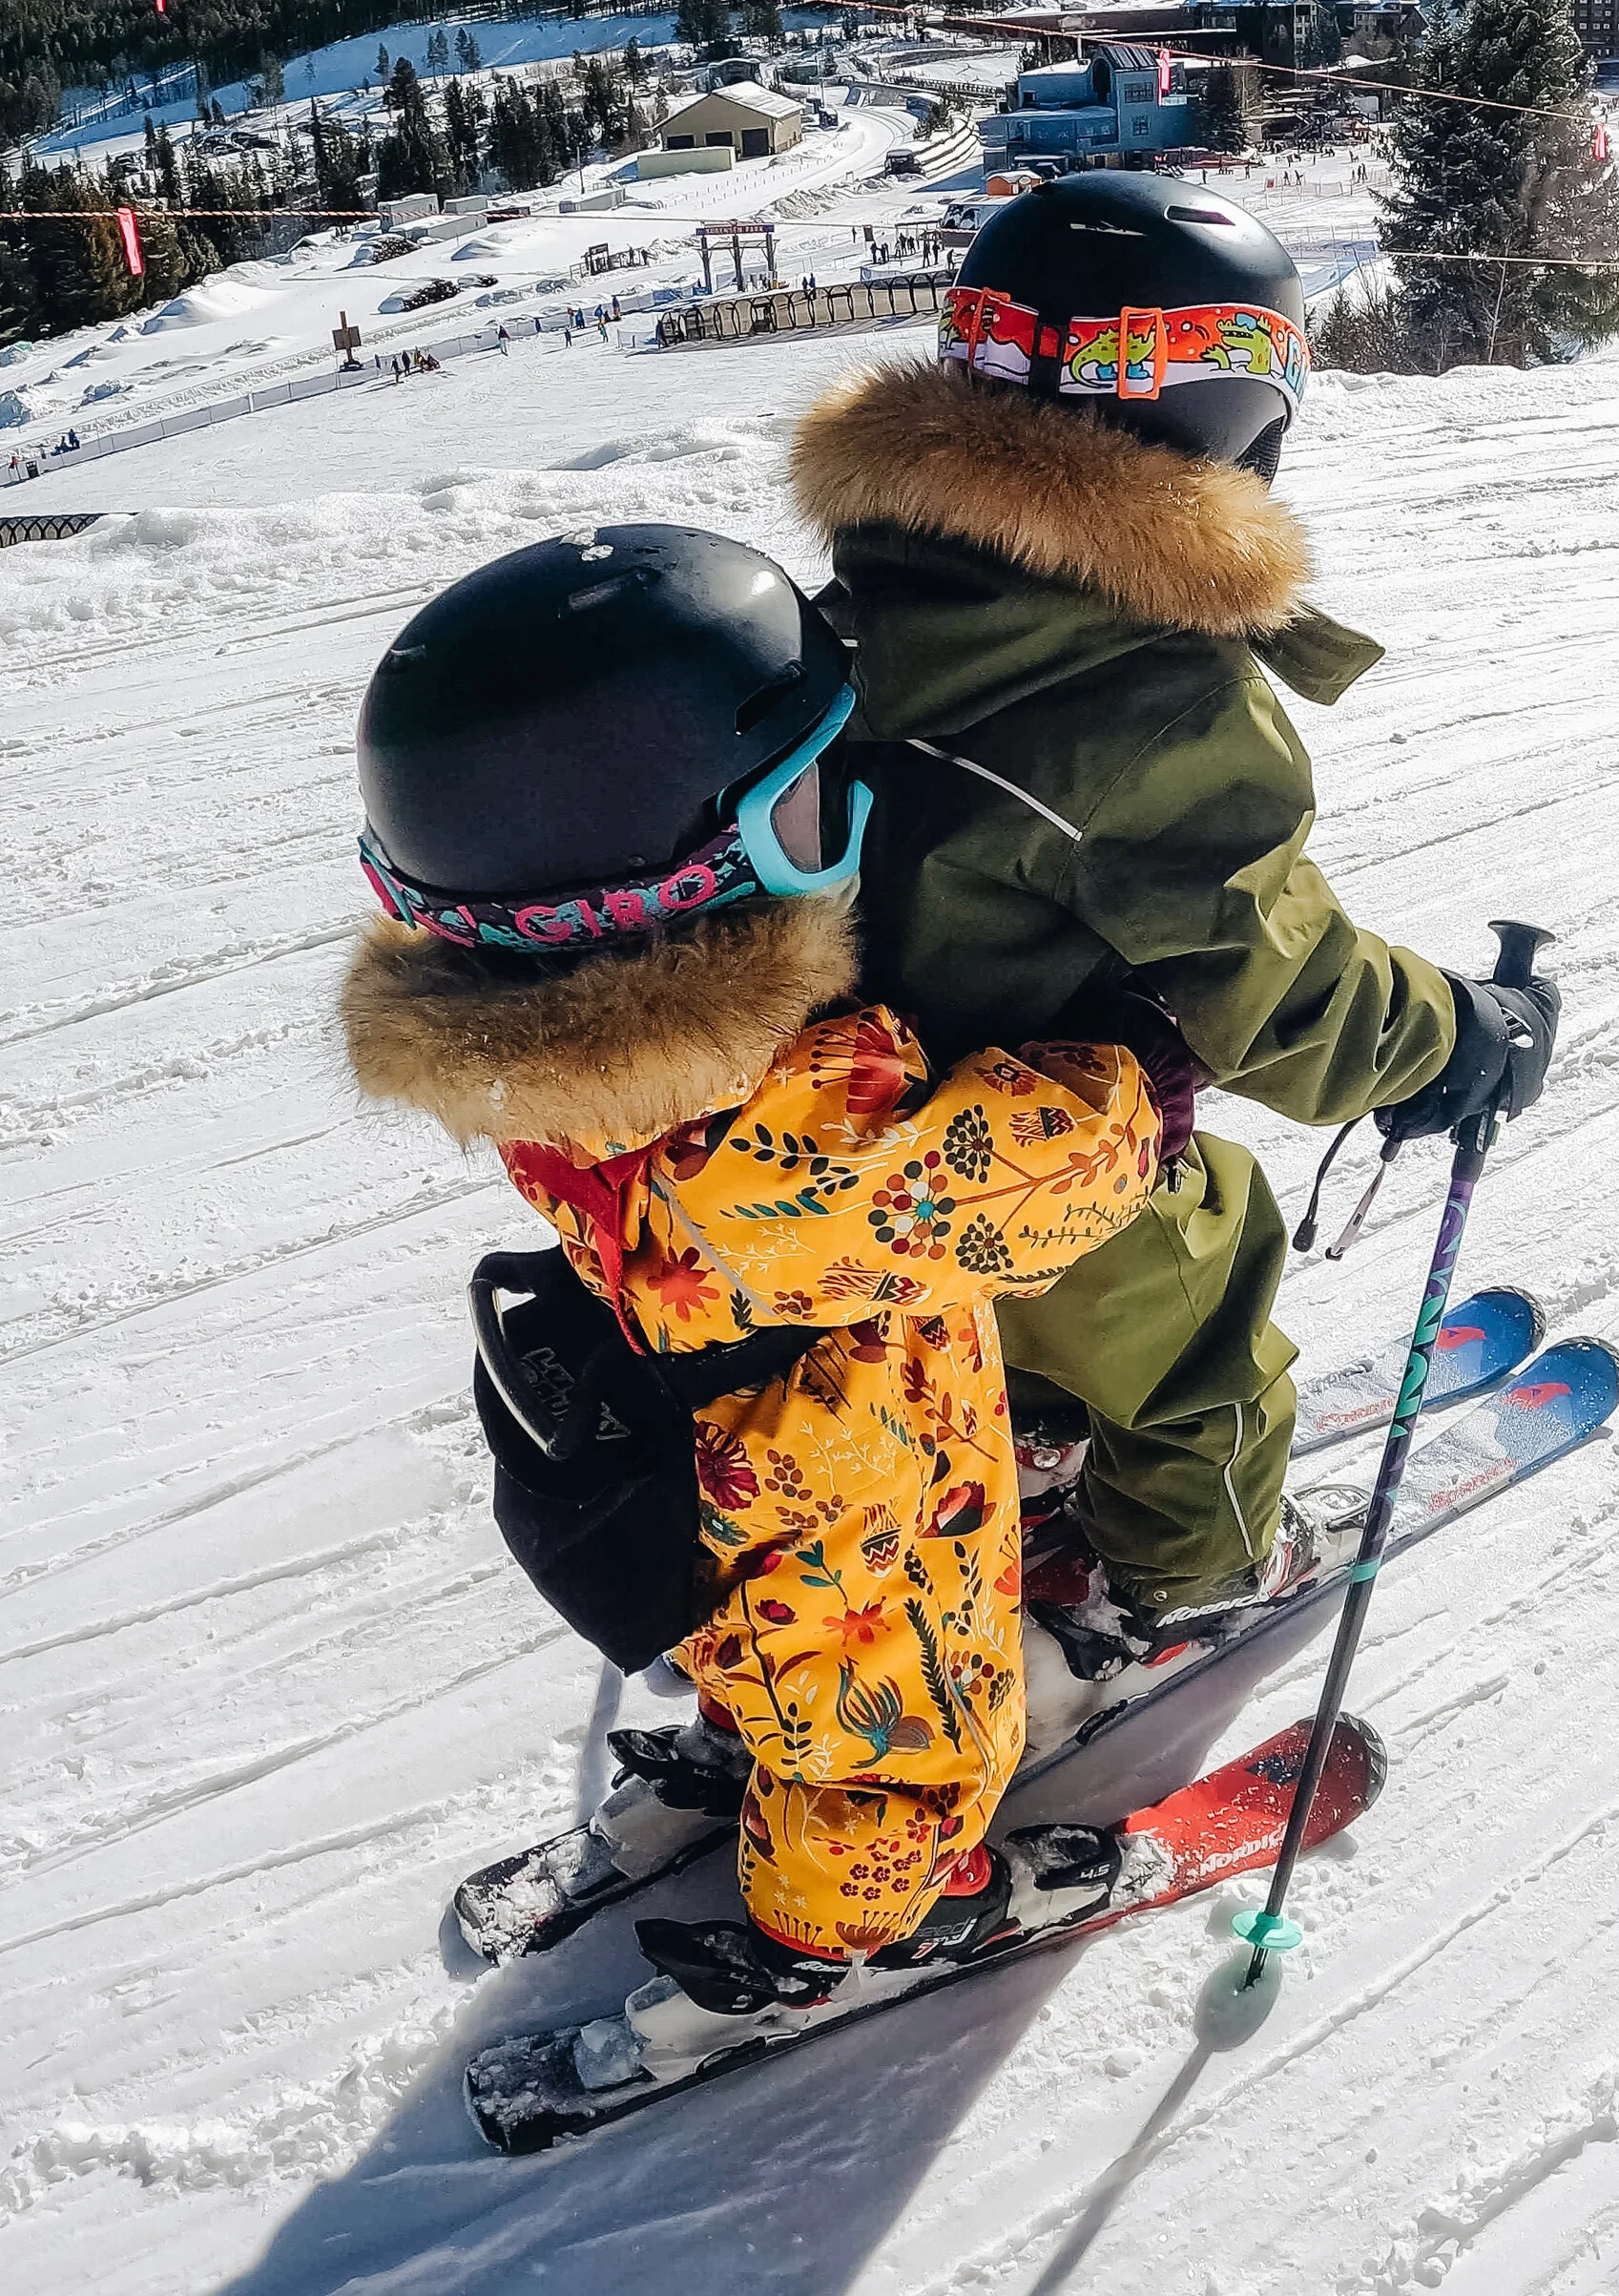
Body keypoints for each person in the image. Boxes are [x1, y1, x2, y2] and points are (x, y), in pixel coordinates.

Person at [338, 526, 1160, 2053]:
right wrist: (1147, 1075)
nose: (858, 817)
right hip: (856, 1505)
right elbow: (1037, 1181)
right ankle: (866, 1917)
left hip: (714, 1466)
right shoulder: (787, 1142)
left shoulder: (561, 1070)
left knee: (767, 1654)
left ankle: (744, 1733)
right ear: (690, 876)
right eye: (815, 801)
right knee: (901, 1735)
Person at [789, 172, 1558, 1744]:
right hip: (1035, 1159)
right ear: (1222, 410)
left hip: (818, 1139)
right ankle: (1189, 1579)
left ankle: (1019, 1437)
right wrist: (1460, 1039)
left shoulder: (868, 596)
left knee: (1010, 1311)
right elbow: (1282, 995)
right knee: (1201, 1325)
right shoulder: (1143, 698)